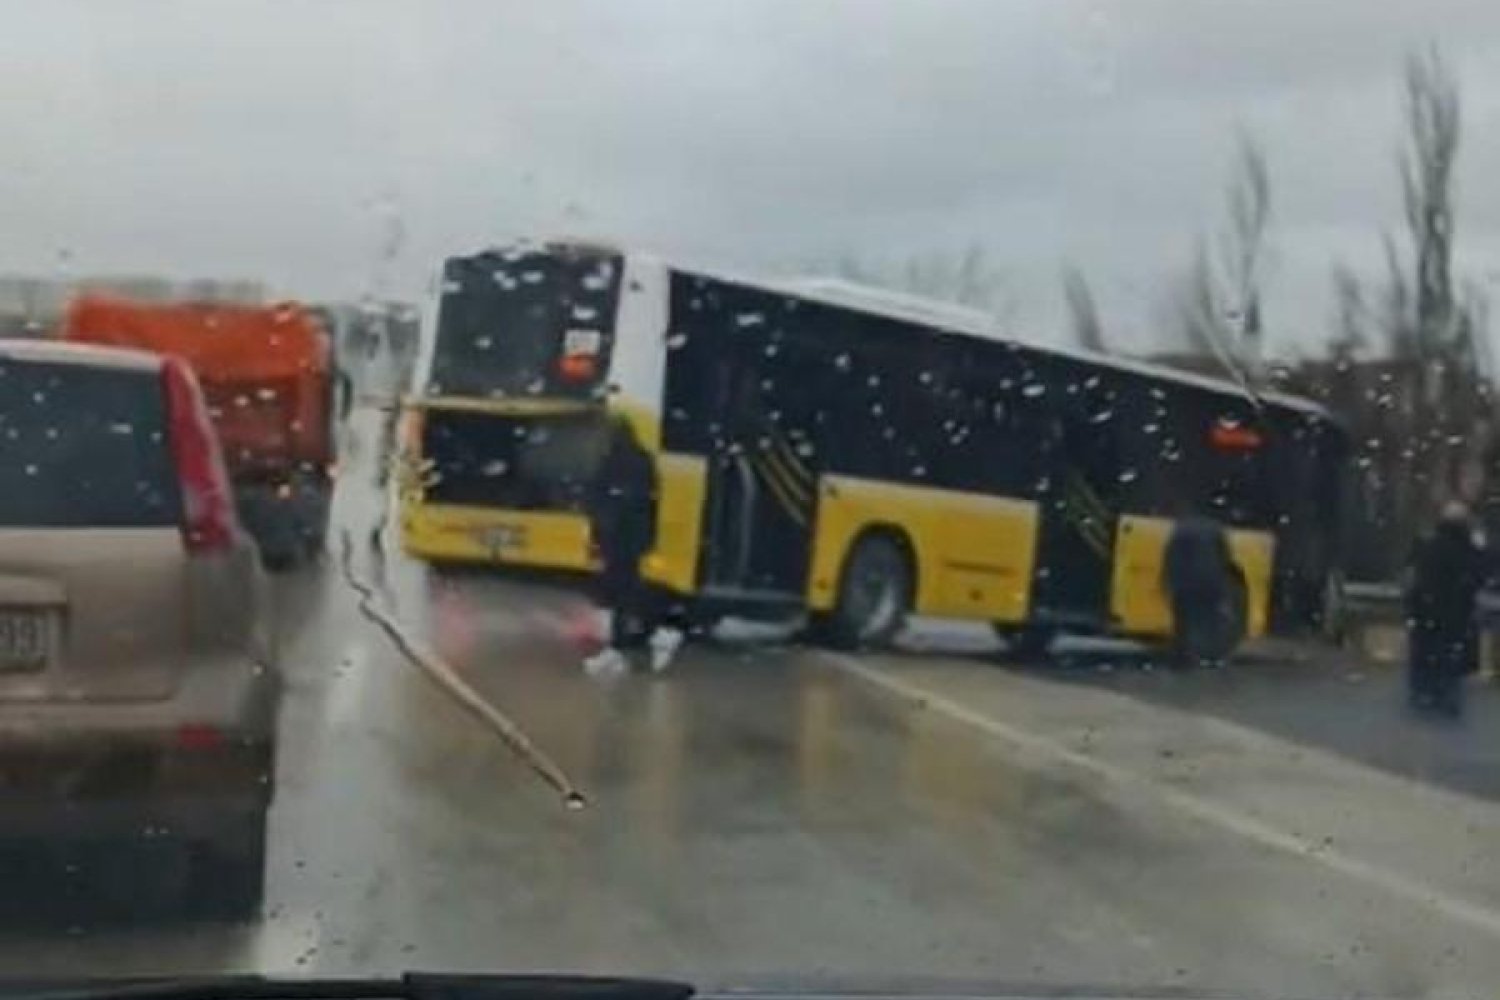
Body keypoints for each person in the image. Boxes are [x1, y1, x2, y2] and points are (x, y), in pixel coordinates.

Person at [581, 417, 681, 675]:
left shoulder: (613, 463)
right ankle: (638, 636)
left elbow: (600, 499)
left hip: (619, 537)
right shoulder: (642, 461)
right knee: (625, 588)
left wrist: (599, 532)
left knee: (619, 591)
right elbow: (647, 501)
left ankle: (626, 643)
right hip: (632, 537)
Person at [1406, 502, 1487, 718]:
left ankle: (1423, 690)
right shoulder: (1468, 548)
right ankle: (1446, 693)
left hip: (1428, 610)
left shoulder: (1429, 545)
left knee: (1425, 651)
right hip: (1456, 613)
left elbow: (1416, 578)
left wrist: (1414, 607)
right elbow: (1479, 575)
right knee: (1452, 656)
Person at [1162, 514, 1239, 667]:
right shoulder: (1216, 529)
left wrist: (1169, 581)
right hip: (1211, 581)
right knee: (1210, 619)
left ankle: (1184, 655)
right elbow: (1226, 558)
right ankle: (1213, 655)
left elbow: (1171, 556)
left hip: (1186, 582)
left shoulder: (1181, 529)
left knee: (1184, 621)